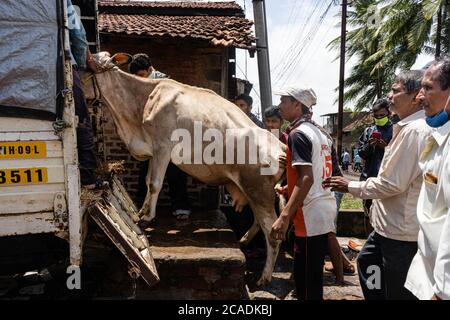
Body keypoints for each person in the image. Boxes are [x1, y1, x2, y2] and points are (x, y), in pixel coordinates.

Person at [323, 70, 433, 300]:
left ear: (415, 95)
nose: (391, 96)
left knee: (397, 289)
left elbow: (392, 184)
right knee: (367, 262)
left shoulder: (414, 131)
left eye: (396, 90)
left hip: (400, 232)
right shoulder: (403, 127)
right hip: (387, 225)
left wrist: (349, 186)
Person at [270, 85, 340, 300]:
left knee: (305, 281)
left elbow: (307, 178)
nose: (280, 105)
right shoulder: (320, 132)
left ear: (297, 105)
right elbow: (319, 174)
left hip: (309, 214)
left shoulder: (298, 134)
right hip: (323, 207)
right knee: (312, 278)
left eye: (284, 101)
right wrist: (289, 187)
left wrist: (284, 216)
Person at [405, 56, 450, 300]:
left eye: (428, 88)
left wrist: (443, 292)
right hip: (428, 276)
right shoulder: (439, 138)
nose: (419, 96)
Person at [129, 53, 191, 220]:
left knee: (175, 172)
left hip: (172, 135)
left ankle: (181, 207)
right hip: (151, 137)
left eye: (141, 75)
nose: (139, 80)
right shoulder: (141, 84)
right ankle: (142, 206)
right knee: (146, 174)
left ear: (150, 70)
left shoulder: (166, 83)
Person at [67, 0, 106, 190]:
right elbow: (78, 34)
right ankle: (88, 179)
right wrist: (84, 61)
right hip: (59, 64)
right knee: (82, 120)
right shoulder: (60, 2)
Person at [357, 98, 393, 235]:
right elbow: (361, 153)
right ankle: (368, 241)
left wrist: (385, 147)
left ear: (389, 113)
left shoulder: (395, 130)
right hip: (368, 177)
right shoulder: (368, 131)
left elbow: (399, 154)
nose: (378, 118)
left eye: (381, 115)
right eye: (376, 116)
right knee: (368, 213)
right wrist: (369, 145)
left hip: (387, 179)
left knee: (386, 215)